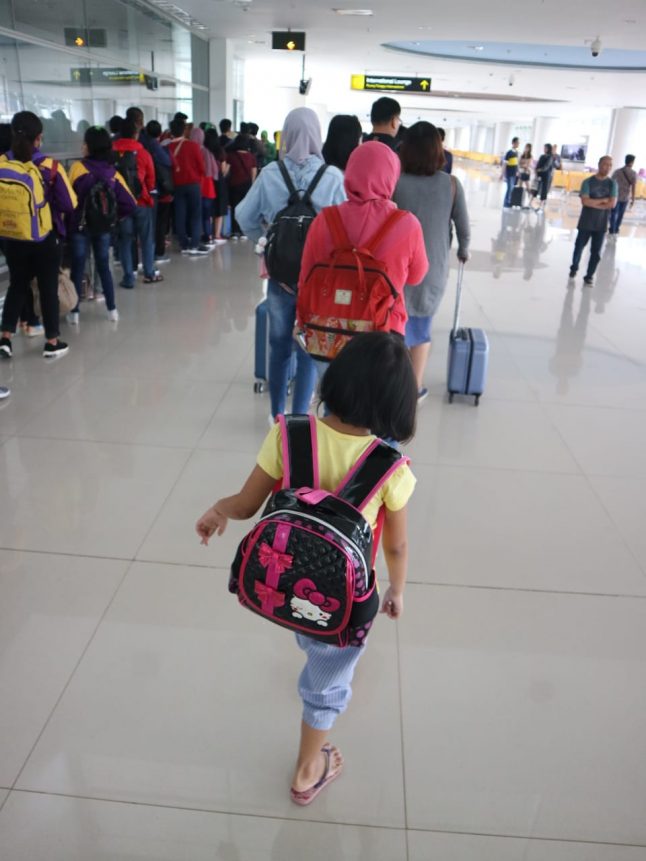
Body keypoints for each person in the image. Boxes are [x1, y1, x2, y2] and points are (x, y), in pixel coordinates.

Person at [194, 331, 417, 805]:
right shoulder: (390, 468)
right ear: (395, 406)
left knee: (309, 633)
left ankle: (308, 640)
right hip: (343, 601)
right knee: (327, 682)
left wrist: (218, 510)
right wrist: (397, 590)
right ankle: (307, 769)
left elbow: (248, 503)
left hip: (282, 580)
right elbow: (396, 547)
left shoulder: (288, 432)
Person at [236, 107, 346, 418]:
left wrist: (264, 242)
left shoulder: (271, 173)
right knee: (309, 348)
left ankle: (276, 414)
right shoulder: (333, 177)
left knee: (279, 347)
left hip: (280, 276)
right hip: (318, 281)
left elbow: (243, 216)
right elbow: (345, 230)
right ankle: (298, 418)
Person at [299, 140, 428, 377]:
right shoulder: (407, 224)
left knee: (333, 398)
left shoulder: (324, 220)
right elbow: (416, 277)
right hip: (383, 337)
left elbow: (305, 279)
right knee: (375, 400)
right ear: (391, 176)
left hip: (328, 335)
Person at [393, 122, 470, 400]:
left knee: (394, 325)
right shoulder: (451, 185)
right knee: (421, 326)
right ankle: (414, 388)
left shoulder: (395, 182)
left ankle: (392, 384)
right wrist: (464, 249)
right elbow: (463, 226)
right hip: (432, 267)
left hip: (396, 267)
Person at [0, 111, 76, 360]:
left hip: (12, 236)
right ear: (39, 138)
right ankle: (52, 342)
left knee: (17, 285)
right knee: (47, 287)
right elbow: (69, 203)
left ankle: (5, 338)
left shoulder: (2, 162)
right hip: (44, 237)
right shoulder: (49, 167)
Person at [67, 126, 137, 323]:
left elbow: (67, 200)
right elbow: (130, 203)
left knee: (78, 268)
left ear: (89, 146)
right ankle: (112, 309)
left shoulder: (77, 168)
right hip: (103, 227)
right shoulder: (112, 172)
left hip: (80, 227)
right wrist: (113, 217)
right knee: (104, 266)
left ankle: (74, 312)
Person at [113, 117, 161, 285]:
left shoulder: (112, 152)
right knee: (146, 238)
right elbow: (151, 180)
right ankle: (149, 272)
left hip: (121, 204)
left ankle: (128, 277)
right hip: (141, 202)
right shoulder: (143, 153)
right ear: (136, 134)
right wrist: (147, 191)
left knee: (125, 240)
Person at [568, 155, 617, 286]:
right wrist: (603, 200)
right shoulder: (588, 182)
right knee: (579, 247)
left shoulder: (612, 184)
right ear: (599, 164)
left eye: (610, 165)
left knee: (596, 252)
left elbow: (612, 204)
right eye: (605, 164)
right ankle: (574, 267)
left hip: (601, 224)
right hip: (586, 222)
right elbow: (585, 202)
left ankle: (589, 275)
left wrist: (593, 202)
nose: (607, 167)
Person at [167, 118, 210, 256]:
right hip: (193, 184)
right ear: (184, 130)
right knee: (196, 214)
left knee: (180, 215)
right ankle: (194, 244)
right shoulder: (193, 146)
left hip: (177, 185)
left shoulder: (168, 148)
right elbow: (201, 167)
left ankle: (184, 244)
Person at [144, 120, 173, 264]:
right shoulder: (157, 147)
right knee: (158, 223)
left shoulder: (142, 144)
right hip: (156, 188)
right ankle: (157, 253)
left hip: (143, 189)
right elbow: (168, 162)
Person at [225, 131, 258, 238]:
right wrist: (252, 185)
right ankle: (244, 232)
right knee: (245, 209)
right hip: (247, 185)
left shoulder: (231, 156)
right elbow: (254, 172)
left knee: (235, 208)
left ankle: (235, 231)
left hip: (234, 185)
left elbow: (225, 171)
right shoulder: (251, 156)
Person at [189, 127, 219, 245]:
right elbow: (214, 171)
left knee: (195, 213)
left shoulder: (189, 151)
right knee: (207, 214)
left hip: (194, 185)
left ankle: (196, 235)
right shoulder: (207, 152)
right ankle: (208, 235)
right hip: (208, 186)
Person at [204, 128, 229, 242]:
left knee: (208, 208)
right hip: (219, 181)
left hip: (207, 181)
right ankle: (217, 234)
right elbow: (223, 170)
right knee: (219, 207)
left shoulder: (204, 150)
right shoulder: (220, 150)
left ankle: (208, 233)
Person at [609, 154, 637, 237]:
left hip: (615, 196)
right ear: (631, 162)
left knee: (613, 213)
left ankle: (612, 229)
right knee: (620, 214)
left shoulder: (617, 171)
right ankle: (616, 229)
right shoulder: (633, 173)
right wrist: (633, 199)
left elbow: (611, 182)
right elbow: (633, 187)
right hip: (625, 197)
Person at [533, 143, 553, 211]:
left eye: (545, 148)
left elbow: (546, 166)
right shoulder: (542, 156)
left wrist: (540, 170)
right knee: (536, 189)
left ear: (548, 149)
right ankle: (531, 203)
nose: (544, 149)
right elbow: (538, 164)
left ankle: (541, 206)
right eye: (544, 148)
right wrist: (536, 170)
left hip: (546, 175)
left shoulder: (550, 157)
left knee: (544, 190)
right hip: (539, 175)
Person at [502, 137, 520, 207]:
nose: (518, 144)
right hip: (509, 174)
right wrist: (503, 174)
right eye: (517, 143)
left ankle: (508, 201)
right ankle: (507, 202)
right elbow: (505, 164)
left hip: (514, 174)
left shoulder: (517, 153)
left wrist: (517, 171)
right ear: (513, 143)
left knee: (511, 188)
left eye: (518, 143)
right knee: (509, 188)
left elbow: (516, 163)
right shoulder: (509, 153)